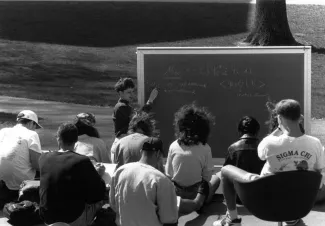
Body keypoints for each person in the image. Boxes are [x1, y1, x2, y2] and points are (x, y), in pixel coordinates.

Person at [213, 99, 325, 226]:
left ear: (279, 118)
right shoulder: (315, 143)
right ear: (300, 117)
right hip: (299, 205)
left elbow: (261, 155)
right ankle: (291, 219)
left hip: (266, 205)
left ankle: (232, 219)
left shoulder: (270, 143)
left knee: (226, 169)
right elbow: (317, 173)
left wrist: (279, 127)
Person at [39, 123, 107, 226]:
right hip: (73, 219)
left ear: (58, 139)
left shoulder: (43, 158)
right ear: (76, 141)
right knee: (100, 202)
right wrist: (99, 174)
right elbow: (98, 194)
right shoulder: (82, 161)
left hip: (47, 217)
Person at [110, 137, 178, 226]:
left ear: (141, 151)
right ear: (158, 154)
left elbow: (113, 204)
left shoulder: (120, 171)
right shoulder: (161, 179)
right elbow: (169, 218)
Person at [165, 104, 220, 206]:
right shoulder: (205, 148)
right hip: (196, 194)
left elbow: (169, 174)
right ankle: (200, 202)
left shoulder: (173, 145)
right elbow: (207, 177)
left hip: (177, 194)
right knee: (216, 178)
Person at [0, 110, 42, 208]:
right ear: (32, 123)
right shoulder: (32, 134)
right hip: (20, 182)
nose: (35, 129)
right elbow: (36, 164)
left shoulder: (3, 131)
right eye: (35, 126)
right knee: (44, 172)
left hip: (2, 179)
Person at [111, 77, 158, 162]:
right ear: (120, 93)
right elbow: (139, 118)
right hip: (123, 144)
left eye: (133, 91)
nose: (132, 94)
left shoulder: (123, 106)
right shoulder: (122, 107)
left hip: (123, 144)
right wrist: (150, 100)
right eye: (129, 92)